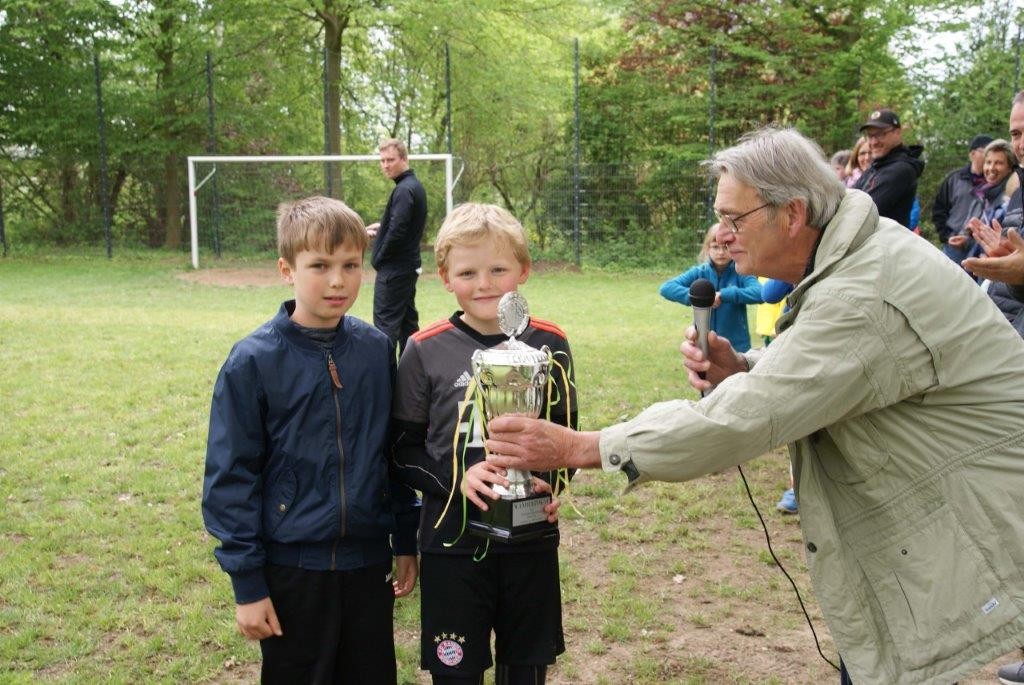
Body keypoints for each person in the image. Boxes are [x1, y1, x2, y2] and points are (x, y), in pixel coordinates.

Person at [482, 128, 1024, 685]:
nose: (722, 234)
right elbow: (830, 374)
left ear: (791, 214)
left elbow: (745, 418)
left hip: (973, 517)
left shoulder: (862, 291)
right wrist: (743, 367)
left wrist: (582, 446)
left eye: (734, 219)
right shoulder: (857, 254)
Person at [202, 196, 420, 684]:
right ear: (287, 269)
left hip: (368, 565)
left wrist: (406, 537)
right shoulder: (252, 362)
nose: (338, 281)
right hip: (293, 569)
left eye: (350, 265)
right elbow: (230, 478)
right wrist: (248, 583)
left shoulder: (376, 350)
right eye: (319, 266)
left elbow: (394, 455)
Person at [390, 202, 577, 685]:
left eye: (498, 269)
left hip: (530, 543)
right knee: (457, 673)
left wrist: (549, 485)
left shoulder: (549, 344)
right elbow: (401, 450)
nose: (485, 283)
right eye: (468, 271)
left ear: (524, 270)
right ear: (445, 277)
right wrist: (459, 477)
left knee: (526, 670)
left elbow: (565, 433)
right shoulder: (424, 348)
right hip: (451, 542)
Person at [366, 138, 428, 352]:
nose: (385, 165)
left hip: (394, 270)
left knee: (385, 328)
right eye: (382, 160)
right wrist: (382, 227)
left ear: (404, 159)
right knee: (408, 325)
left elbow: (398, 230)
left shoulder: (404, 190)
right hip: (407, 267)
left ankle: (385, 382)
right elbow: (401, 223)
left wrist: (379, 257)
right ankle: (412, 379)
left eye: (390, 159)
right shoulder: (413, 186)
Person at [659, 224, 762, 352]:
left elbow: (759, 293)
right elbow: (666, 288)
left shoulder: (740, 272)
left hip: (736, 346)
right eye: (715, 247)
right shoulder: (699, 272)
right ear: (707, 249)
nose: (720, 252)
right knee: (702, 371)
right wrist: (698, 298)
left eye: (725, 247)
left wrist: (724, 295)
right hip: (702, 341)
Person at [853, 108, 925, 227]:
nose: (874, 142)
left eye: (880, 134)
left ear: (897, 133)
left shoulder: (900, 170)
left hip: (884, 244)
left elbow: (863, 212)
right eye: (870, 136)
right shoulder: (876, 166)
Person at [932, 134, 993, 262]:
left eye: (991, 153)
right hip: (954, 245)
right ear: (972, 155)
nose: (989, 157)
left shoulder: (995, 182)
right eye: (985, 152)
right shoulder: (954, 179)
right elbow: (939, 210)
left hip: (982, 246)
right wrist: (947, 236)